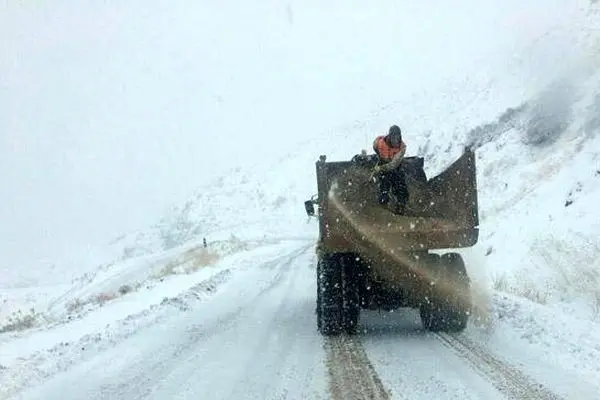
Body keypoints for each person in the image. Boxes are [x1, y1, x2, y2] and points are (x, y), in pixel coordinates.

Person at [372, 125, 409, 214]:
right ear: (390, 137)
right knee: (384, 183)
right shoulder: (380, 143)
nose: (396, 140)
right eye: (393, 137)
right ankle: (384, 206)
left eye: (398, 137)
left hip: (395, 167)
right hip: (383, 162)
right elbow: (375, 146)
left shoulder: (402, 148)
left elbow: (393, 165)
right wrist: (379, 158)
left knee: (400, 184)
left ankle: (401, 206)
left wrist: (380, 168)